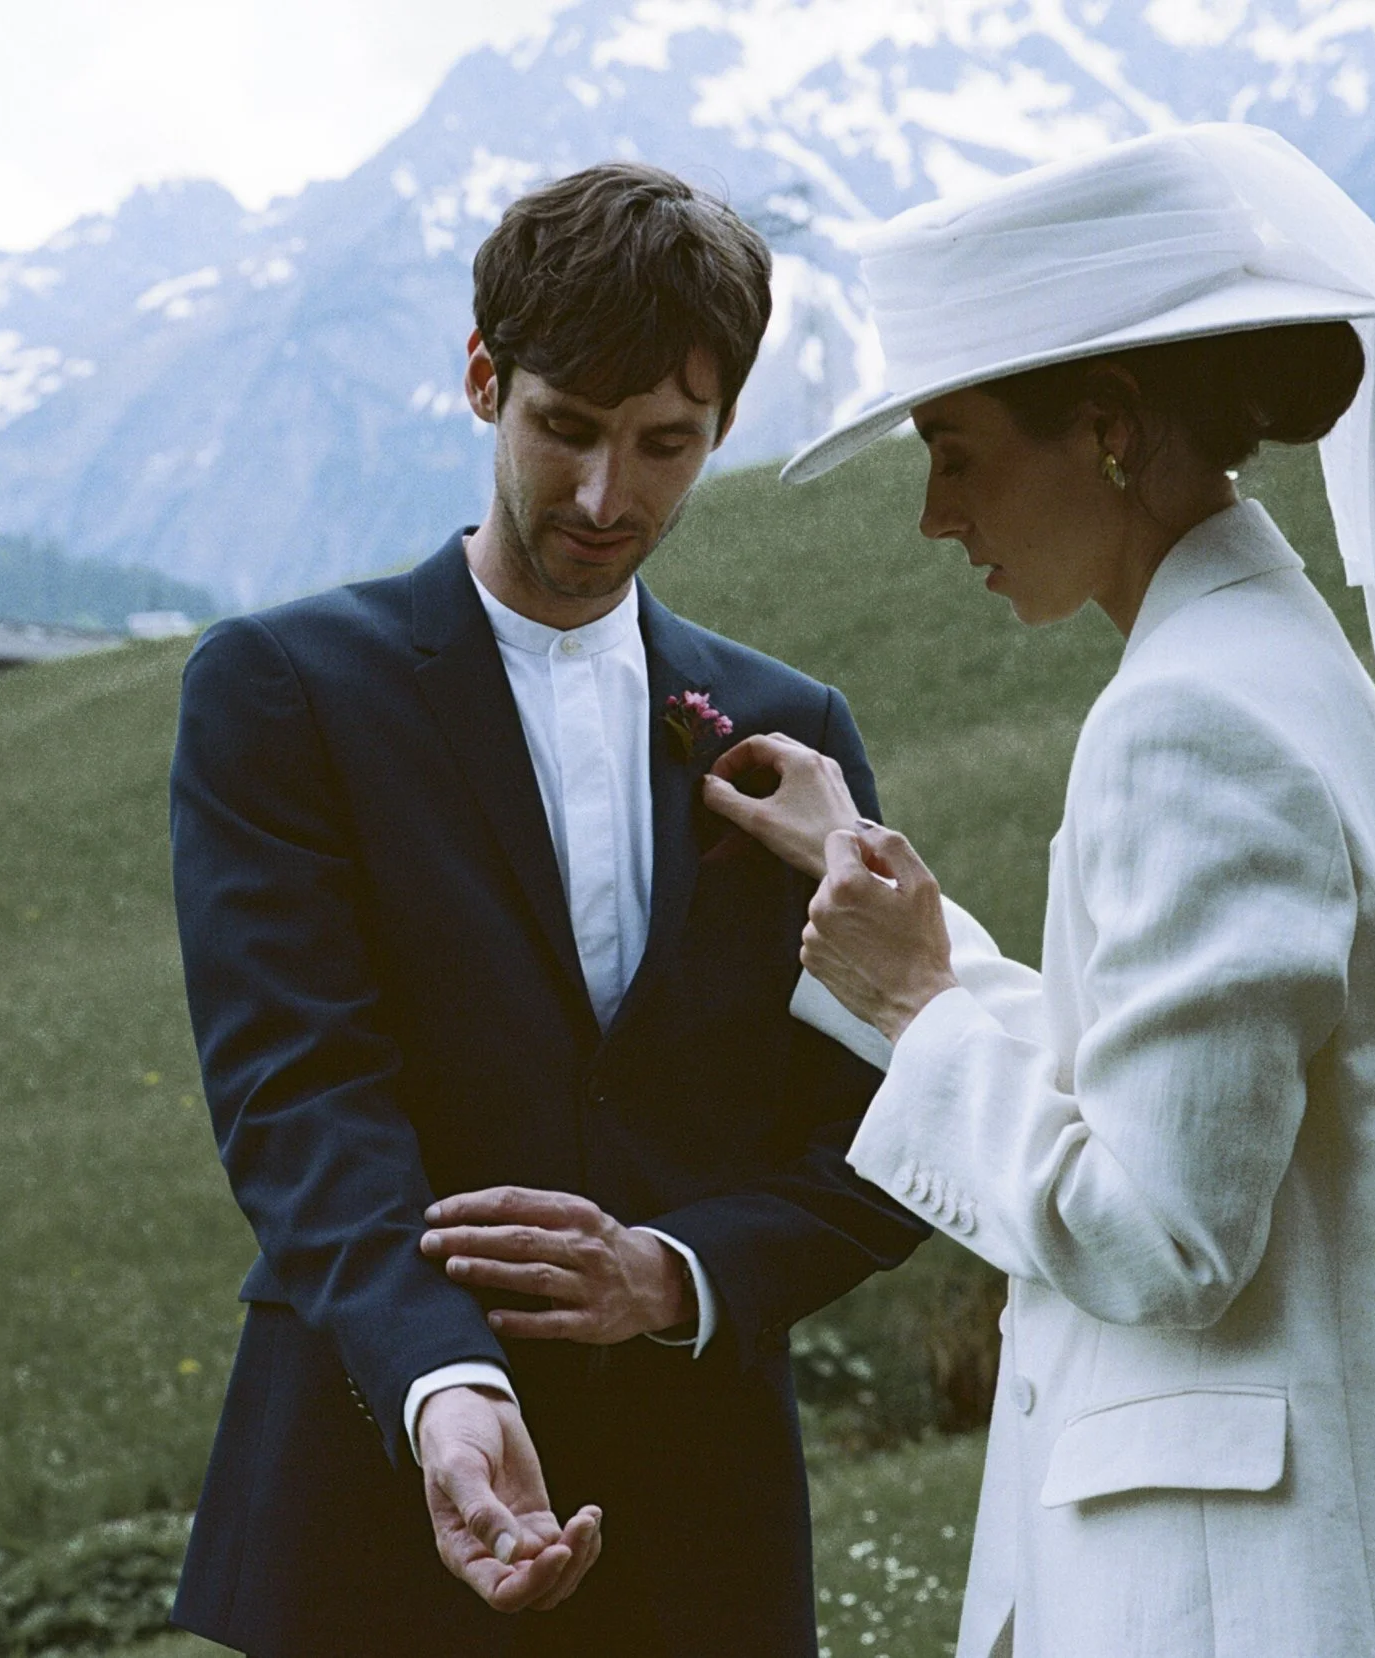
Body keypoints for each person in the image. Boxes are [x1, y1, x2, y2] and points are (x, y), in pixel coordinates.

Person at [703, 125, 1375, 1657]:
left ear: (1110, 428)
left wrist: (918, 1006)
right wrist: (885, 907)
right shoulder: (1271, 658)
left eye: (955, 453)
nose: (936, 517)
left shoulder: (1186, 720)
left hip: (1250, 1597)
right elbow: (1141, 1075)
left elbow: (1160, 1231)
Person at [164, 161, 927, 1656]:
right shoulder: (283, 691)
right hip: (374, 1495)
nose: (604, 496)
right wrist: (443, 1378)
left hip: (699, 1533)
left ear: (720, 431)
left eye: (665, 444)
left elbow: (879, 1131)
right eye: (565, 428)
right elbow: (296, 1091)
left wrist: (678, 1273)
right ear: (481, 379)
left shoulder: (788, 729)